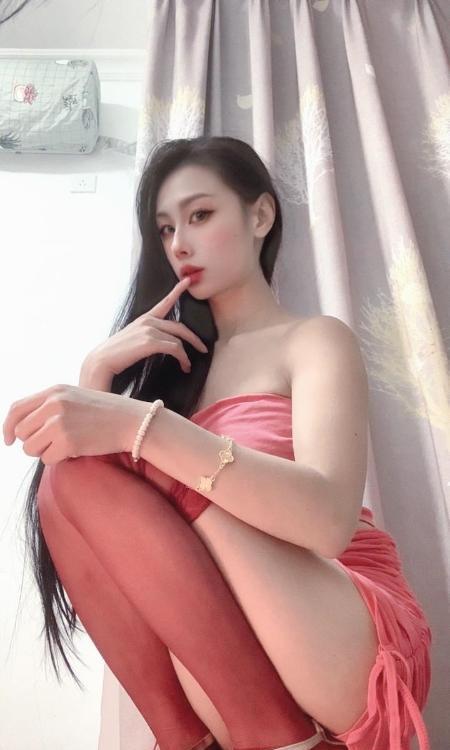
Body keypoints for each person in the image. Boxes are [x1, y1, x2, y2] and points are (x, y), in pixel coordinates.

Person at [13, 136, 432, 750]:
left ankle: (271, 731)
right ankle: (189, 739)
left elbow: (328, 524)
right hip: (229, 657)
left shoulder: (313, 340)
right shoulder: (173, 377)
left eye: (201, 215)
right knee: (69, 479)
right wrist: (96, 374)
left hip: (339, 624)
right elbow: (87, 528)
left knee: (145, 464)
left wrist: (143, 427)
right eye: (165, 229)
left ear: (260, 216)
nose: (179, 244)